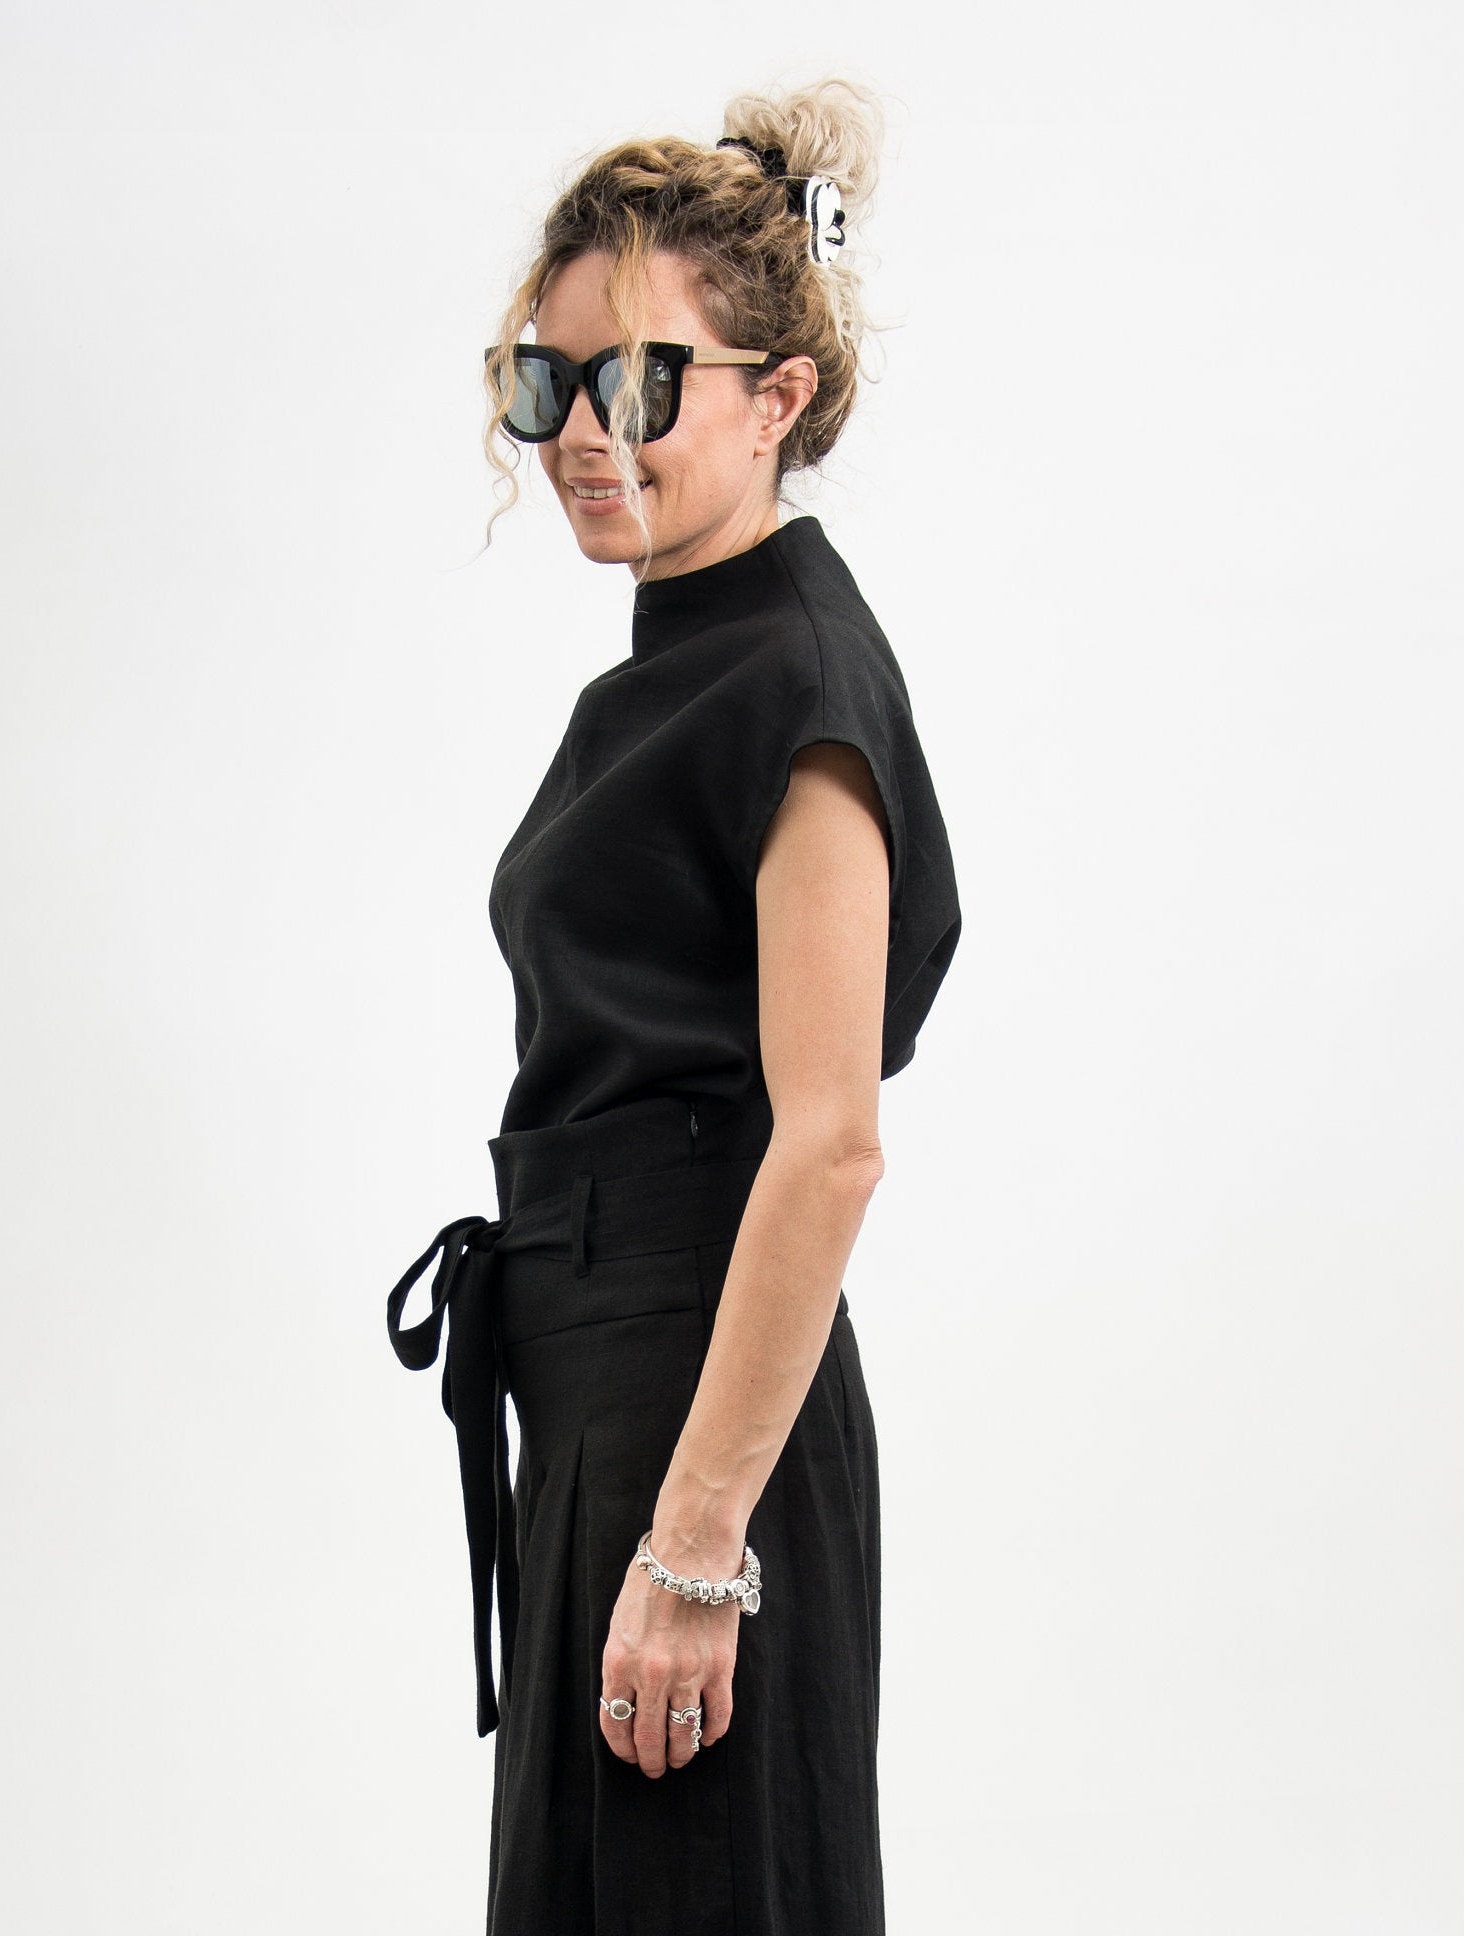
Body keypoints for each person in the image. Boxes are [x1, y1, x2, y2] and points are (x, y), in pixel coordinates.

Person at [386, 76, 962, 1936]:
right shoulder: (681, 671)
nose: (581, 432)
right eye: (545, 384)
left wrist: (700, 1547)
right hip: (613, 1402)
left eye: (640, 383)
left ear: (776, 397)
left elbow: (833, 1143)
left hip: (703, 1420)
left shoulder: (796, 678)